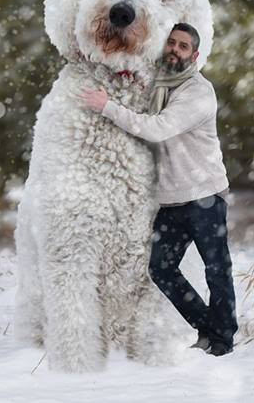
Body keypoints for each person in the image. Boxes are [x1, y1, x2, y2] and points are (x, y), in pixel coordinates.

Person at [79, 22, 237, 356]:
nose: (175, 50)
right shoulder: (158, 83)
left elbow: (156, 129)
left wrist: (106, 106)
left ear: (194, 56)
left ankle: (222, 340)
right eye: (172, 43)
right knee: (161, 268)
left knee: (216, 269)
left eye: (183, 47)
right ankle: (207, 326)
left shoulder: (197, 93)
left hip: (204, 196)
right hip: (171, 200)